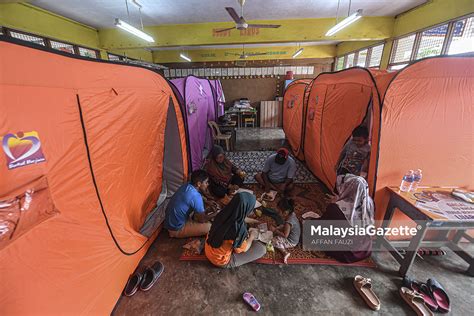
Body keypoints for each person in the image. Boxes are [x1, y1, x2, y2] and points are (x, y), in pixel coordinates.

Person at [205, 192, 267, 268]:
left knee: (233, 241)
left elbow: (239, 217)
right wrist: (251, 237)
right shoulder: (238, 231)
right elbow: (241, 250)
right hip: (219, 260)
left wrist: (255, 221)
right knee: (261, 249)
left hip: (208, 249)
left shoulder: (222, 213)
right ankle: (228, 261)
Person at [164, 170, 218, 238]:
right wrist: (216, 214)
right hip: (175, 229)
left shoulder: (187, 185)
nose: (208, 184)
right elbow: (202, 220)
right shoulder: (195, 196)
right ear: (199, 184)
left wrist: (207, 202)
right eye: (206, 182)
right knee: (209, 227)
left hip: (169, 221)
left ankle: (192, 221)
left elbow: (193, 198)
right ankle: (177, 233)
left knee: (202, 208)